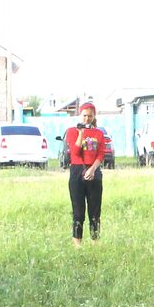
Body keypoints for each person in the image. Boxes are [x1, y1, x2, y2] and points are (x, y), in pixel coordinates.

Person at [64, 102, 106, 247]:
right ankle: (77, 245)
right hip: (76, 171)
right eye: (84, 115)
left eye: (90, 116)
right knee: (78, 210)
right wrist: (81, 133)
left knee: (95, 210)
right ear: (79, 115)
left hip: (94, 171)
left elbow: (101, 154)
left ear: (94, 116)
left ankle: (95, 242)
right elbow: (74, 152)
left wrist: (93, 169)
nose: (87, 119)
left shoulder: (99, 133)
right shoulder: (71, 131)